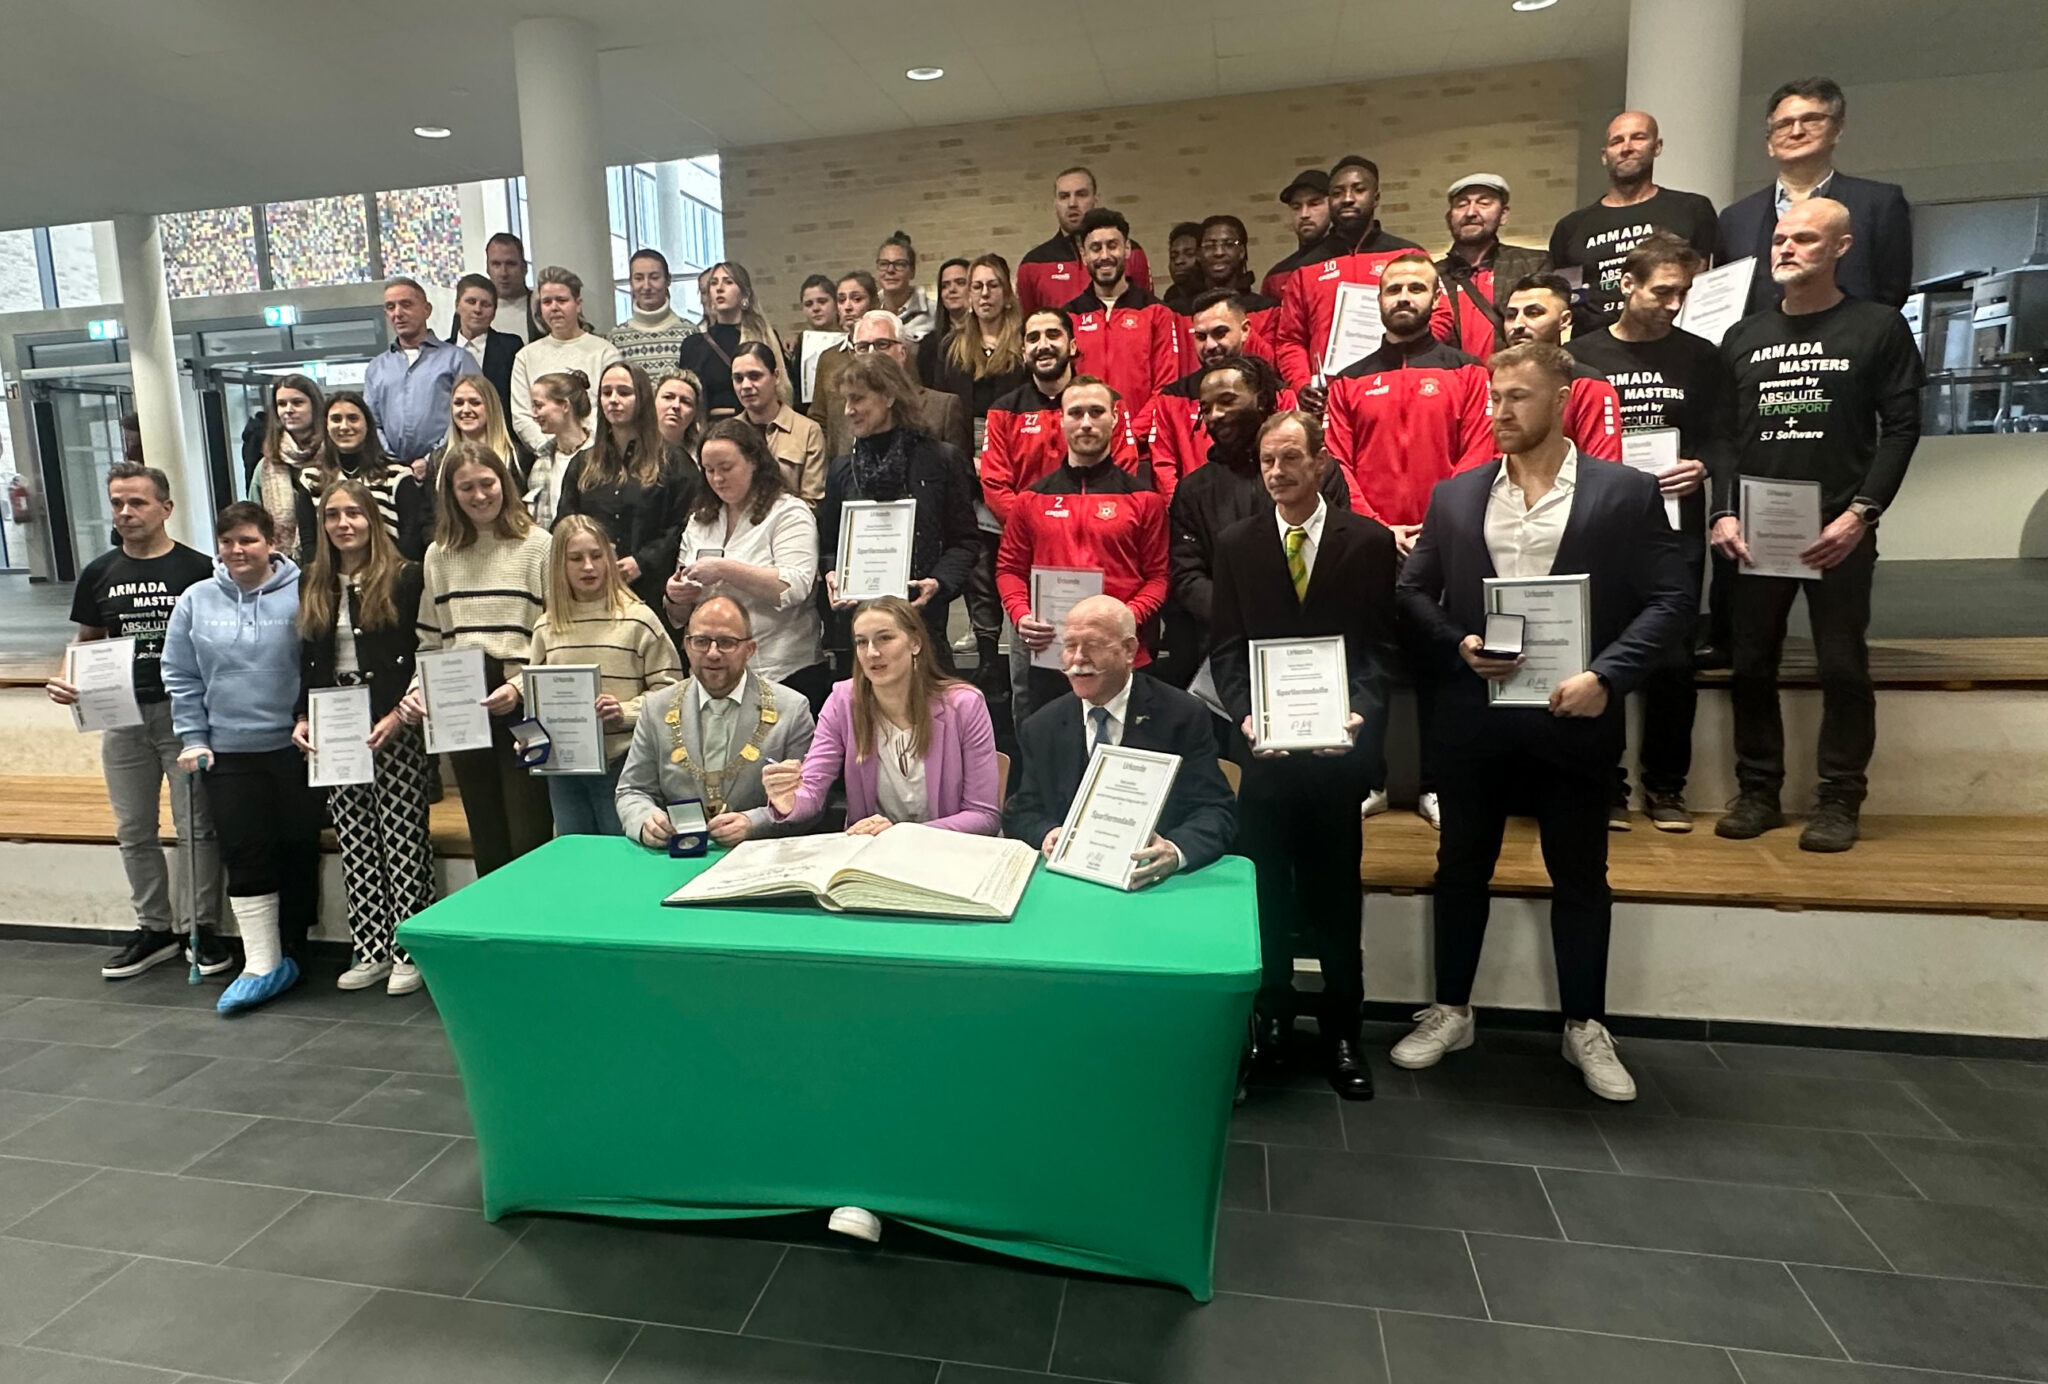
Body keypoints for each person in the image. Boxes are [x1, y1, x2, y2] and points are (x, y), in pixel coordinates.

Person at [1390, 342, 1693, 1101]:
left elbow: (1670, 599)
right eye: (1495, 397)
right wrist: (1458, 643)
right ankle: (1452, 1009)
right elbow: (1413, 590)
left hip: (1574, 713)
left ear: (1563, 396)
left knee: (1581, 876)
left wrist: (1607, 677)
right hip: (1474, 717)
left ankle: (1584, 1025)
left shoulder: (1622, 492)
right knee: (1460, 869)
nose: (1500, 411)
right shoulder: (1456, 495)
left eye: (1518, 397)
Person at [1712, 198, 1923, 854]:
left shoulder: (1878, 327)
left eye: (1805, 238)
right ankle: (1758, 790)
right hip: (1755, 530)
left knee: (1842, 665)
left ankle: (1839, 798)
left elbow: (1903, 427)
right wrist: (1720, 510)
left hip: (1839, 528)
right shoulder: (1743, 336)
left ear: (1842, 247)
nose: (1788, 248)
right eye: (1781, 238)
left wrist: (1862, 514)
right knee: (1750, 664)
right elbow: (1722, 438)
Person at [1211, 410, 1396, 1099]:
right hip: (1264, 757)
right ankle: (1274, 1025)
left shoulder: (1369, 542)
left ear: (1321, 462)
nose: (1279, 472)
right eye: (1268, 461)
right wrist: (1246, 713)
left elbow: (1381, 650)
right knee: (1266, 898)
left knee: (1335, 897)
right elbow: (1227, 650)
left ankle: (1344, 1032)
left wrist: (1359, 710)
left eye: (1292, 458)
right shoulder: (1237, 544)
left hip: (1336, 756)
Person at [1568, 232, 1730, 831]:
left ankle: (1667, 788)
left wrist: (1704, 465)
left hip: (1673, 524)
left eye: (1682, 293)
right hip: (1600, 525)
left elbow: (1720, 435)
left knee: (1672, 659)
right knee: (1599, 653)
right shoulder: (1582, 354)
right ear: (1627, 287)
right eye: (1662, 291)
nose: (1673, 303)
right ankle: (1607, 786)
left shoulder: (1701, 356)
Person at [47, 464, 228, 980]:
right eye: (118, 504)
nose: (126, 513)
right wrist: (64, 677)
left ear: (166, 508)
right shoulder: (99, 573)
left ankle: (201, 928)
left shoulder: (198, 570)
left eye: (138, 503)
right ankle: (154, 928)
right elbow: (88, 641)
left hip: (184, 712)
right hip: (120, 716)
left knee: (197, 826)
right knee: (133, 828)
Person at [162, 502, 321, 1015]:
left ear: (271, 540)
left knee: (297, 846)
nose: (237, 550)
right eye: (228, 541)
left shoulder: (303, 594)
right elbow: (181, 675)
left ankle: (293, 952)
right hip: (225, 751)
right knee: (244, 850)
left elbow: (316, 662)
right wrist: (193, 736)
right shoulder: (195, 600)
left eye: (248, 540)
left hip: (293, 746)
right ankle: (260, 960)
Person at [293, 478, 432, 996]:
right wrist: (303, 717)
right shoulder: (315, 582)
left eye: (353, 513)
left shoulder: (404, 577)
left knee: (402, 838)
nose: (343, 524)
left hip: (392, 720)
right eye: (332, 516)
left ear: (373, 520)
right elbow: (308, 661)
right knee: (355, 840)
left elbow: (425, 651)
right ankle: (370, 946)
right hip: (335, 720)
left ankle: (407, 949)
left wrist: (401, 715)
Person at [400, 442, 555, 875]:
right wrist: (418, 690)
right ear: (450, 493)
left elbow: (554, 634)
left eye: (487, 483)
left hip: (521, 703)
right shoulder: (439, 553)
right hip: (460, 704)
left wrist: (519, 686)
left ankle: (529, 938)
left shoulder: (539, 545)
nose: (479, 495)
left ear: (503, 484)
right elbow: (430, 638)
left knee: (528, 837)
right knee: (485, 836)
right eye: (465, 487)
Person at [1005, 593, 1238, 882]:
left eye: (1091, 646)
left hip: (1155, 884)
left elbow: (1215, 810)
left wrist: (1175, 852)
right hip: (1071, 882)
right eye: (1069, 646)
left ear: (1129, 650)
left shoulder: (1182, 715)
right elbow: (1022, 812)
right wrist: (1047, 834)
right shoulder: (1042, 726)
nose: (1078, 659)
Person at [1169, 356, 1348, 705]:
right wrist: (1247, 616)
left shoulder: (1319, 474)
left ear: (1263, 400)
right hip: (1230, 657)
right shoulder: (1193, 491)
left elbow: (1339, 556)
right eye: (1206, 407)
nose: (1215, 415)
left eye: (1227, 400)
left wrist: (1294, 617)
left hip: (1317, 647)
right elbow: (1188, 576)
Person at [997, 377, 1169, 715]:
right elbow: (1009, 570)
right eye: (1076, 413)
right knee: (1056, 760)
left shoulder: (1145, 500)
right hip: (1053, 655)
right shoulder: (1030, 500)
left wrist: (1123, 620)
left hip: (1121, 656)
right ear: (1060, 420)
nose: (1086, 423)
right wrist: (1021, 616)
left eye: (1096, 412)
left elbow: (1159, 578)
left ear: (1115, 418)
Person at [761, 595, 1001, 835]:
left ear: (915, 643)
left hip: (948, 853)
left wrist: (901, 833)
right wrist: (789, 801)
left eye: (885, 638)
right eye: (861, 642)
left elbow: (984, 816)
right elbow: (812, 789)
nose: (872, 652)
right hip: (871, 854)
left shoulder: (963, 705)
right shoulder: (842, 701)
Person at [522, 516, 682, 835]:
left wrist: (623, 713)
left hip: (624, 765)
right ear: (559, 565)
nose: (588, 567)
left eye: (596, 556)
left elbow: (673, 694)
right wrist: (530, 738)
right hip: (564, 769)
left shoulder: (639, 620)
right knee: (575, 858)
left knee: (622, 858)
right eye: (576, 558)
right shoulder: (546, 627)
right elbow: (535, 700)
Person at [617, 595, 818, 848]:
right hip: (677, 858)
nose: (712, 653)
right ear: (687, 646)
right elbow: (632, 790)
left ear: (750, 650)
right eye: (701, 641)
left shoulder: (792, 709)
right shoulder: (656, 708)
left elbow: (809, 800)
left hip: (758, 858)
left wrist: (754, 823)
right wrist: (645, 819)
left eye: (726, 642)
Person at [818, 353, 981, 662]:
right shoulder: (842, 469)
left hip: (924, 627)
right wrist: (832, 574)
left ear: (889, 396)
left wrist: (939, 582)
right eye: (845, 401)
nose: (848, 411)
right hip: (861, 636)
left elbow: (966, 541)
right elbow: (829, 548)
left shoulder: (942, 460)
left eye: (857, 399)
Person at [1323, 254, 1493, 547]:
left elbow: (1480, 452)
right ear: (1378, 299)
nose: (1403, 298)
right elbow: (1337, 464)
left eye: (1416, 289)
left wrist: (1439, 522)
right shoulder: (1346, 381)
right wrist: (1376, 528)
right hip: (1369, 540)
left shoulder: (1469, 371)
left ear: (1437, 297)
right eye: (1393, 289)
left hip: (1448, 535)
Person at [1721, 77, 1912, 315]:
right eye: (1784, 124)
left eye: (1811, 120)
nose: (1797, 131)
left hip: (1852, 343)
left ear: (1837, 130)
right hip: (1761, 348)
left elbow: (1892, 290)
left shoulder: (1879, 203)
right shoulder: (1735, 218)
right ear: (1769, 143)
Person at [665, 419, 825, 696]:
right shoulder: (699, 520)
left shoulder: (789, 513)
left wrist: (724, 569)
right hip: (714, 674)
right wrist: (675, 595)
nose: (717, 478)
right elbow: (680, 615)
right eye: (709, 470)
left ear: (754, 462)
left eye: (726, 468)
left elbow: (794, 586)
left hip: (782, 670)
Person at [1271, 156, 1450, 398]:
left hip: (1401, 383)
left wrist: (1413, 355)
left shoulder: (1408, 254)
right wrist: (1302, 384)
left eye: (1358, 189)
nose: (1347, 198)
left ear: (1375, 198)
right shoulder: (1305, 269)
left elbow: (1441, 314)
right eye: (1337, 192)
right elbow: (1289, 340)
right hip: (1330, 396)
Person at [1549, 110, 1720, 331]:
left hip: (1673, 343)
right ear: (1604, 155)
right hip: (1592, 350)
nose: (1626, 148)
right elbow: (1565, 296)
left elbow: (1706, 282)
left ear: (1656, 147)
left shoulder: (1692, 209)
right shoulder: (1570, 227)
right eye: (1616, 141)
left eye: (1638, 137)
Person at [981, 308, 1144, 525]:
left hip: (1098, 528)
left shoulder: (1108, 402)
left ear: (1073, 346)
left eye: (1053, 335)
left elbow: (1123, 467)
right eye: (1033, 338)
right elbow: (994, 485)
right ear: (1023, 351)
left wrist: (1083, 521)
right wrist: (1035, 527)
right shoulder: (1003, 412)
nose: (1043, 345)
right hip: (1029, 536)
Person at [558, 360, 695, 610]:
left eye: (624, 392)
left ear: (642, 398)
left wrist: (644, 561)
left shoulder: (673, 461)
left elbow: (686, 526)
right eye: (606, 392)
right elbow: (565, 524)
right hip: (592, 591)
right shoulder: (582, 463)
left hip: (652, 591)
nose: (613, 399)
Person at [1143, 290, 1296, 503]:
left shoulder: (1278, 394)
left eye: (1220, 333)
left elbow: (1292, 459)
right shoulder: (1170, 398)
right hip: (1199, 513)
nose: (1210, 345)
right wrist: (1185, 509)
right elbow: (1164, 467)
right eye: (1200, 337)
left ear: (1245, 331)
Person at [1063, 208, 1181, 422]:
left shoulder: (1157, 312)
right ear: (1084, 254)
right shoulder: (1069, 316)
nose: (1105, 256)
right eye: (1096, 248)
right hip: (1086, 442)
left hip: (1142, 449)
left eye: (1112, 245)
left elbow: (1166, 387)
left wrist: (1131, 435)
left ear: (1126, 249)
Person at [1499, 275, 1626, 463]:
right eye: (1511, 315)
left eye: (1533, 313)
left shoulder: (1588, 384)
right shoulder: (1489, 381)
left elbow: (1604, 470)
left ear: (1564, 320)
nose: (1517, 325)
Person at [364, 277, 481, 481]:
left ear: (427, 309)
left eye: (406, 304)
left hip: (448, 470)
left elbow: (472, 415)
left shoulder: (456, 359)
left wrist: (431, 459)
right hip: (392, 474)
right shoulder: (377, 368)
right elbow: (371, 423)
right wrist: (393, 462)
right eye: (390, 307)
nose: (398, 313)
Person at [818, 310, 972, 462]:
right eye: (863, 347)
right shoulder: (841, 411)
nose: (872, 354)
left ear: (903, 352)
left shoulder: (942, 409)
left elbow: (958, 480)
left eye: (882, 344)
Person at [297, 392, 432, 562]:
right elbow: (310, 544)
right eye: (336, 419)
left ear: (368, 424)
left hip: (391, 576)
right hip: (332, 580)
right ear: (326, 426)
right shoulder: (311, 478)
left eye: (353, 418)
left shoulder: (398, 473)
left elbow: (411, 537)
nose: (344, 426)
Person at [1436, 173, 1551, 362]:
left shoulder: (1533, 263)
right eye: (1461, 204)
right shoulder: (1432, 276)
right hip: (1452, 383)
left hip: (1518, 382)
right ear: (1449, 218)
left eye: (1484, 203)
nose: (1471, 212)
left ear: (1503, 214)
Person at [509, 266, 622, 455]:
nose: (554, 307)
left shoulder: (604, 352)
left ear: (578, 304)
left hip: (596, 453)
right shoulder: (525, 357)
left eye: (561, 300)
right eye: (547, 302)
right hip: (547, 455)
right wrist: (551, 448)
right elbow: (521, 416)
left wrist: (583, 445)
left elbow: (609, 406)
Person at [1016, 165, 1153, 317]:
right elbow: (1028, 326)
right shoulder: (1032, 264)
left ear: (1095, 200)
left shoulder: (1131, 252)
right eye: (1064, 196)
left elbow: (1148, 311)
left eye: (1081, 194)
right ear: (1055, 204)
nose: (1072, 203)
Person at [924, 253, 1027, 427]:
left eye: (993, 285)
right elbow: (941, 407)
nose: (985, 294)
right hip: (963, 444)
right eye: (977, 287)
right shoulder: (950, 347)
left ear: (1007, 293)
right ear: (970, 295)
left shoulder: (1024, 342)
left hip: (1014, 437)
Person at [679, 261, 786, 420]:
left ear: (744, 294)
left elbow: (782, 389)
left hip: (758, 426)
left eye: (728, 282)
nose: (719, 288)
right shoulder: (693, 345)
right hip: (711, 431)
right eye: (714, 283)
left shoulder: (763, 338)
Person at [732, 343, 827, 505]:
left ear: (775, 377)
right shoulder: (728, 433)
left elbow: (812, 502)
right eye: (738, 379)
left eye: (755, 376)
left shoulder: (807, 431)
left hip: (792, 526)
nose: (746, 386)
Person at [247, 374, 324, 556]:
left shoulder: (333, 458)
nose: (288, 410)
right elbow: (254, 521)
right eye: (281, 404)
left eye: (297, 402)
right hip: (283, 562)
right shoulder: (265, 467)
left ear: (315, 406)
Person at [805, 270, 879, 439]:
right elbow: (818, 417)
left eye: (856, 299)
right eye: (841, 300)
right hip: (841, 457)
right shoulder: (828, 358)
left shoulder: (886, 351)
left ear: (873, 303)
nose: (847, 307)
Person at [423, 373, 518, 500]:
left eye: (475, 403)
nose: (466, 409)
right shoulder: (438, 460)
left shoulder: (516, 458)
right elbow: (427, 515)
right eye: (459, 403)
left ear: (491, 406)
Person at [524, 369, 598, 530]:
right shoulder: (541, 462)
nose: (533, 414)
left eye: (539, 405)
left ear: (565, 405)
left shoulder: (600, 457)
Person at [609, 248, 699, 374]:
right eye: (639, 278)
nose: (646, 286)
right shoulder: (616, 338)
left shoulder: (689, 333)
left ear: (668, 281)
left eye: (654, 277)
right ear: (631, 282)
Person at [449, 272, 524, 419]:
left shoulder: (510, 347)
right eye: (471, 302)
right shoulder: (441, 351)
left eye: (485, 304)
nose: (477, 310)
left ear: (494, 312)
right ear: (457, 305)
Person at [1260, 168, 1332, 299]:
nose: (1304, 214)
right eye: (1296, 207)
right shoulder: (1277, 276)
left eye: (1314, 204)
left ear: (1332, 205)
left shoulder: (1349, 260)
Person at [788, 272, 840, 412]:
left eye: (822, 301)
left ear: (836, 303)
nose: (816, 308)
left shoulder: (854, 338)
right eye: (808, 304)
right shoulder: (798, 346)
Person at [917, 257, 974, 384]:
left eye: (960, 282)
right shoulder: (929, 344)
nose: (951, 290)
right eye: (945, 285)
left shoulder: (988, 338)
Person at [873, 231, 936, 342]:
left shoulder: (934, 312)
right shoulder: (870, 313)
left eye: (899, 264)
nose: (890, 270)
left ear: (912, 271)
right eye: (884, 264)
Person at [481, 231, 540, 341]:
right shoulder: (473, 312)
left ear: (524, 268)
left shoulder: (541, 308)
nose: (504, 273)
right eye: (496, 264)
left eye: (511, 264)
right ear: (487, 269)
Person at [1196, 215, 1256, 298]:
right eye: (1209, 245)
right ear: (1198, 254)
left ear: (1242, 251)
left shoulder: (1264, 307)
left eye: (1229, 244)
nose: (1219, 252)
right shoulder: (1180, 309)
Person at [1161, 221, 1204, 315]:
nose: (1179, 261)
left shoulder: (1218, 302)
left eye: (1189, 254)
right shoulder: (1167, 305)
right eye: (1173, 256)